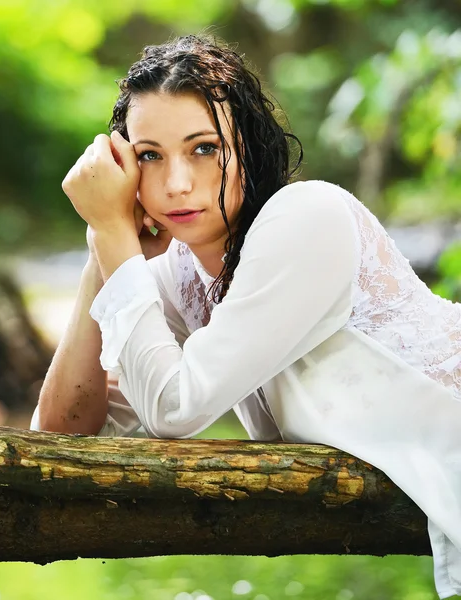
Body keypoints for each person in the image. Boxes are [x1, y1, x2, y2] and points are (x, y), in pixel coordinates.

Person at [30, 35, 461, 598]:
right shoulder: (177, 274)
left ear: (250, 146)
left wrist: (114, 238)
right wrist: (102, 250)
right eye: (150, 156)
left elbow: (173, 409)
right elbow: (63, 433)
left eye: (204, 148)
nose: (176, 183)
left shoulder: (306, 217)